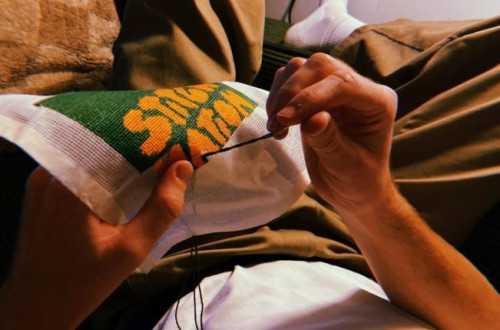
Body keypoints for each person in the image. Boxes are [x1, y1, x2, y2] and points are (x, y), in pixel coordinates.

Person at [1, 0, 499, 329]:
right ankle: (349, 41)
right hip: (364, 249)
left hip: (176, 253)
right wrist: (371, 200)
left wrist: (36, 310)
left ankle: (358, 43)